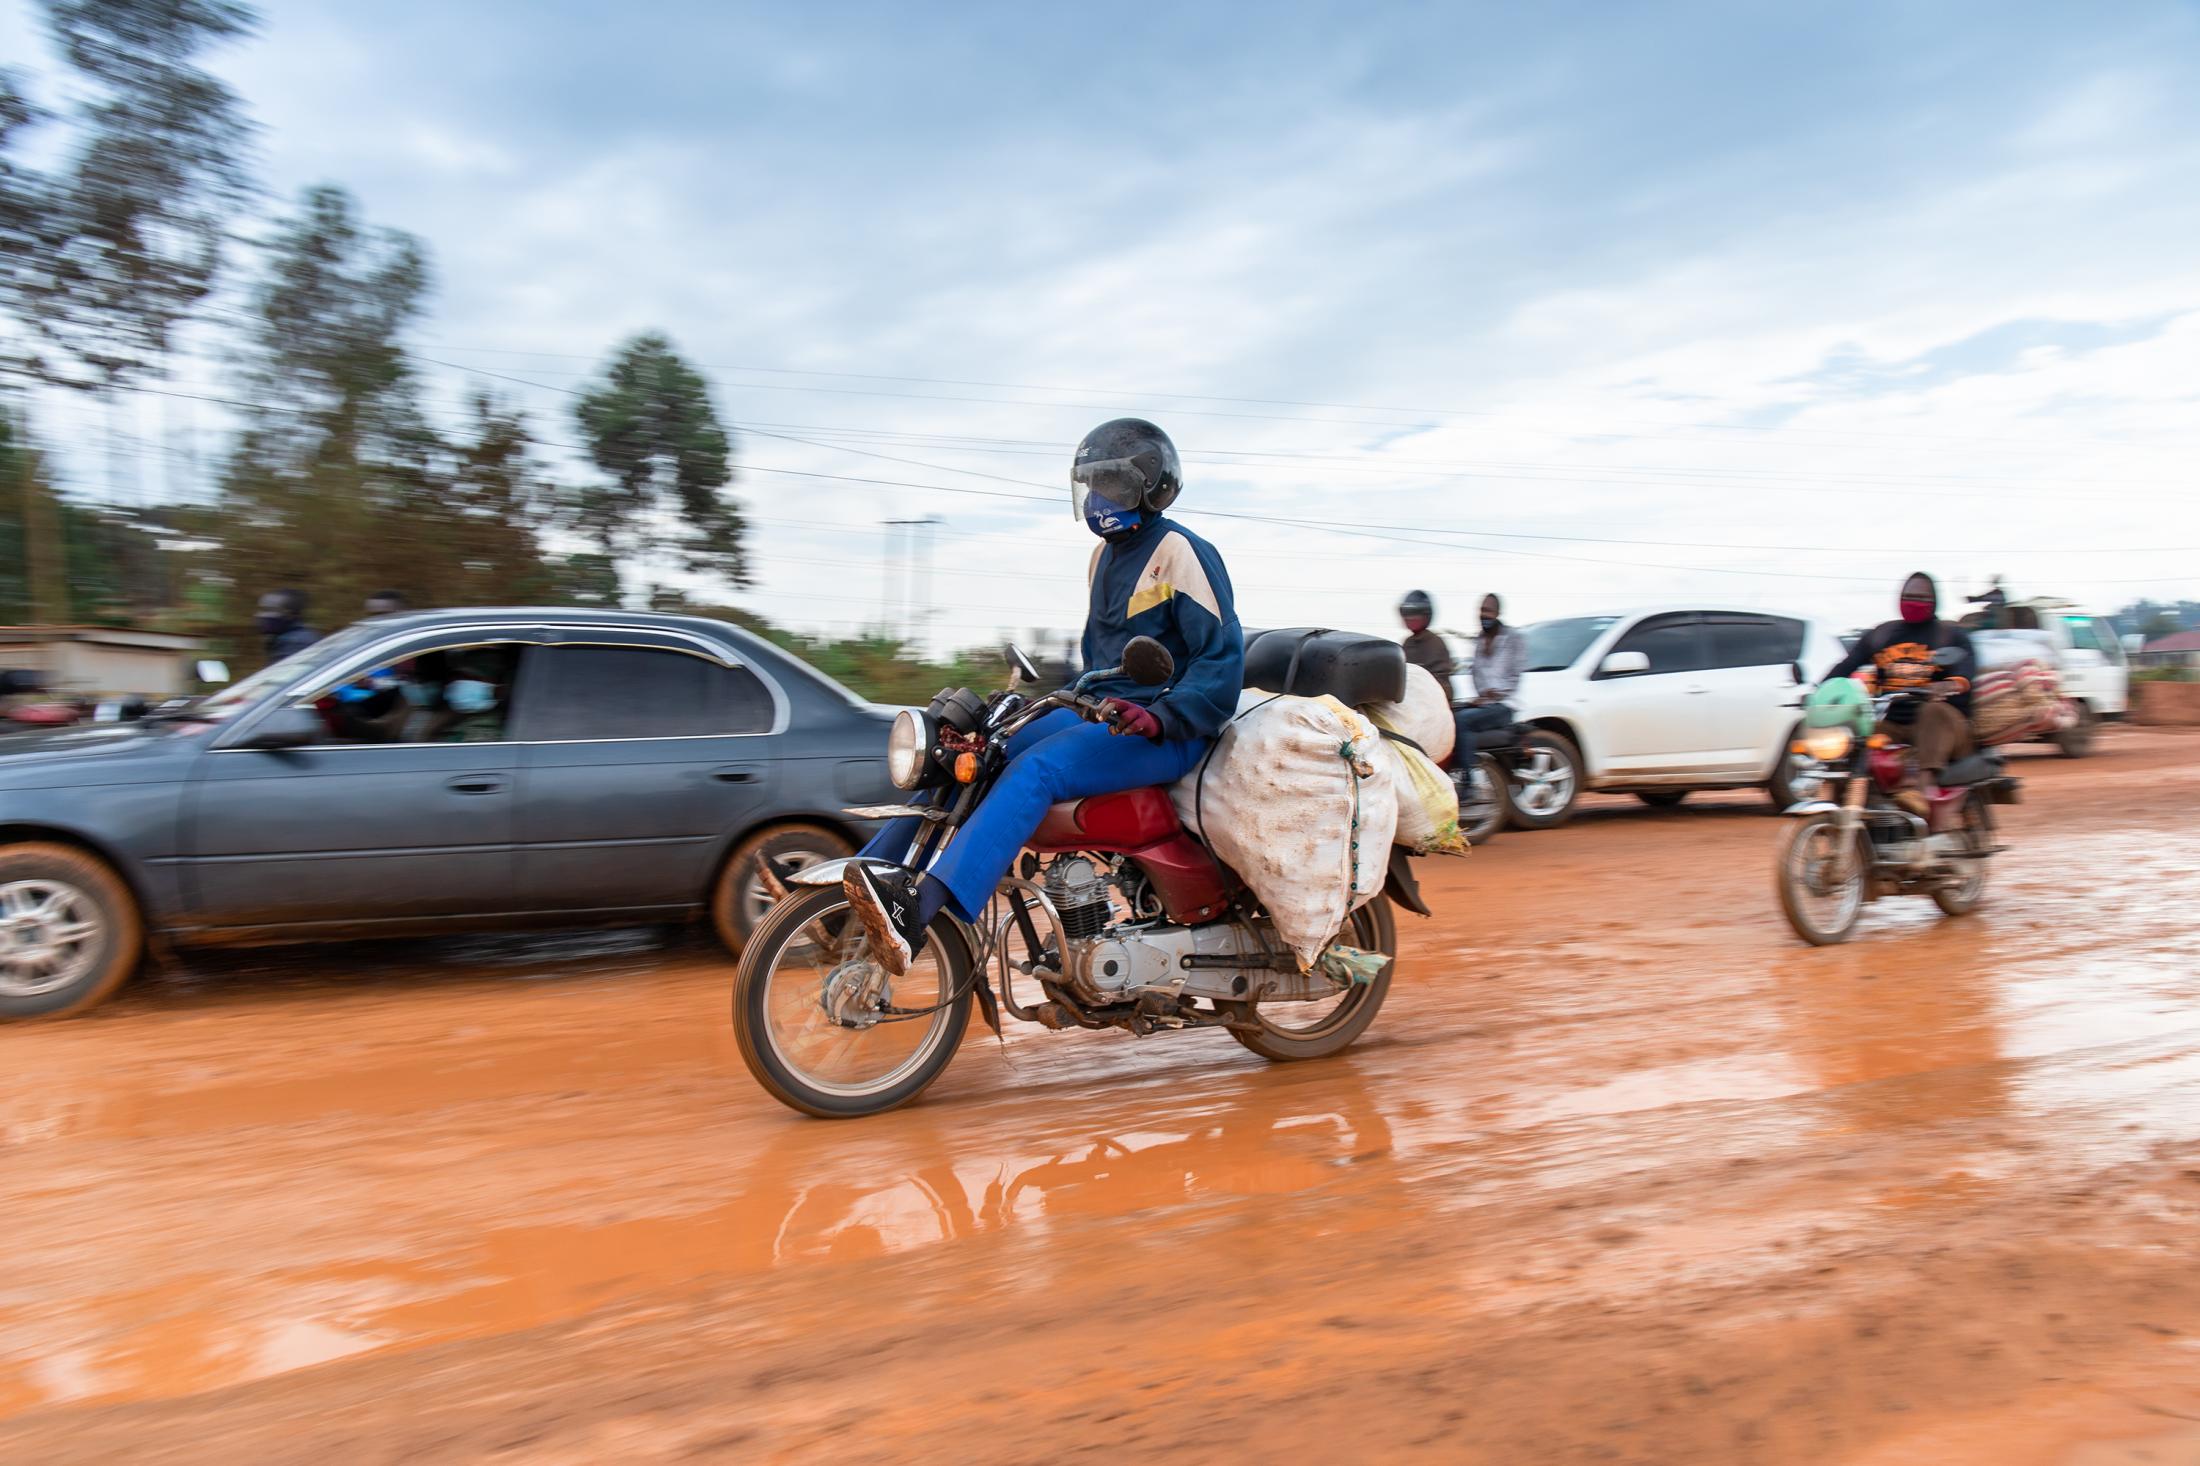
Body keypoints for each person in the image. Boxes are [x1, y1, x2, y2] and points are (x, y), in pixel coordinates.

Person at [844, 418, 1243, 976]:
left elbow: (1222, 660)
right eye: (1093, 484)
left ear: (1151, 486)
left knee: (1037, 772)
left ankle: (922, 912)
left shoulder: (1180, 550)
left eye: (1113, 484)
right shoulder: (1103, 558)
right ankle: (858, 886)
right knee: (977, 752)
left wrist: (1161, 716)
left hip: (1168, 730)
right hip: (1108, 715)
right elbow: (1102, 664)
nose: (1100, 498)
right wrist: (1054, 701)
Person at [1823, 571, 1975, 816]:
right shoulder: (1881, 635)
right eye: (1907, 596)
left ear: (1934, 601)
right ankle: (1845, 804)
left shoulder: (1951, 636)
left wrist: (1947, 686)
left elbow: (1967, 675)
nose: (1913, 601)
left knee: (1932, 711)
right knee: (1856, 737)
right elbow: (1845, 667)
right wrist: (1820, 691)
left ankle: (1921, 789)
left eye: (1920, 597)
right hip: (1894, 723)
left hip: (1946, 724)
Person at [1454, 593, 1526, 742]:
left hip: (1505, 705)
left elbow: (1515, 676)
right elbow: (1476, 674)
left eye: (1488, 611)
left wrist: (1495, 695)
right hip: (1485, 704)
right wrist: (1481, 698)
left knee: (1462, 720)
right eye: (1481, 610)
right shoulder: (1479, 641)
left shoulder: (1513, 638)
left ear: (1497, 613)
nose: (1483, 615)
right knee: (1449, 714)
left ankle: (1468, 766)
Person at [1397, 590, 1454, 690]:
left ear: (1426, 615)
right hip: (1413, 696)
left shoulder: (1435, 643)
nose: (1410, 618)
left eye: (1414, 613)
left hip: (1432, 697)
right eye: (1407, 613)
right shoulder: (1407, 643)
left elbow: (1440, 680)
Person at [255, 590, 320, 662]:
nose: (259, 615)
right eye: (261, 609)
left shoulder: (294, 643)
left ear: (289, 615)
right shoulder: (298, 636)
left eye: (268, 610)